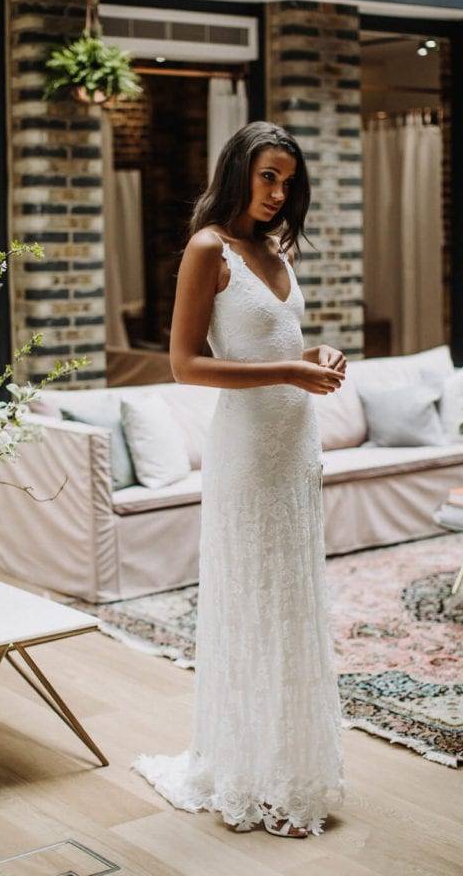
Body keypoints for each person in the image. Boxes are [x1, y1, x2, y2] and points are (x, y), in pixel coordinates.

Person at [131, 120, 347, 838]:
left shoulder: (274, 250)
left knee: (291, 601)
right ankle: (245, 772)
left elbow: (275, 338)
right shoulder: (208, 249)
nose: (279, 192)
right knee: (255, 600)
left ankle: (288, 767)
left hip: (294, 448)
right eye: (267, 176)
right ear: (237, 173)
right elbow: (185, 364)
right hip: (248, 453)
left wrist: (314, 352)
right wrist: (289, 369)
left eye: (288, 180)